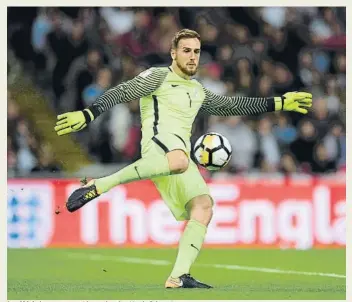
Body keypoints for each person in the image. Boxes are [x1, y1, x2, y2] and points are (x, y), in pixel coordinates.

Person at [54, 29, 312, 288]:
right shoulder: (158, 76)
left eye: (196, 52)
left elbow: (233, 106)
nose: (192, 57)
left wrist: (279, 102)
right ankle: (100, 184)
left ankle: (178, 276)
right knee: (180, 160)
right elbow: (122, 92)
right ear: (173, 53)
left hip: (178, 156)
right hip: (158, 147)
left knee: (203, 206)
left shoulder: (199, 90)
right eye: (186, 51)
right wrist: (88, 114)